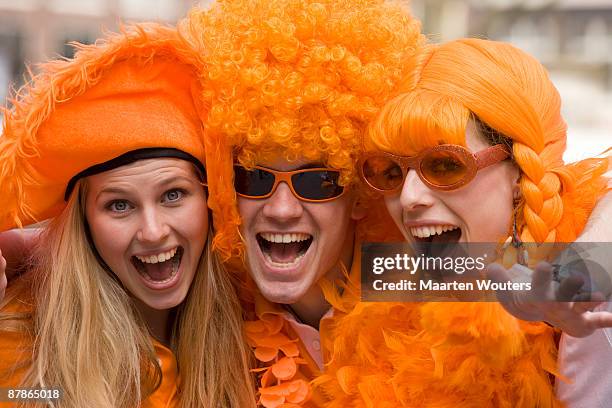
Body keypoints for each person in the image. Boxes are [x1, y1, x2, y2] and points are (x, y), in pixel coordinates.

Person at [340, 38, 610, 406]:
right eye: (391, 172)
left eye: (446, 164)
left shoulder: (587, 310)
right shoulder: (383, 283)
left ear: (520, 174)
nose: (408, 197)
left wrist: (591, 265)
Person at [0, 24, 255, 407]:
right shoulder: (24, 347)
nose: (153, 232)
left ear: (209, 203)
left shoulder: (257, 309)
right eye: (119, 205)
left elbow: (365, 280)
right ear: (85, 222)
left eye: (173, 195)